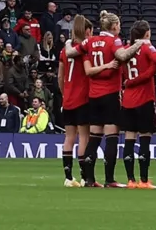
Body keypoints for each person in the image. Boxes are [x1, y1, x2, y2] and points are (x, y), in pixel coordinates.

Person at [113, 21, 156, 186]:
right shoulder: (147, 47)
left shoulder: (126, 49)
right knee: (144, 139)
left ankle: (130, 180)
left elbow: (121, 72)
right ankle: (143, 180)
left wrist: (129, 82)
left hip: (128, 100)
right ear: (147, 34)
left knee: (129, 138)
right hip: (144, 99)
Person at [80, 12, 128, 186]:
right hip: (110, 94)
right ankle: (109, 179)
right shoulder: (114, 41)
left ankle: (89, 179)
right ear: (114, 27)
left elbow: (76, 50)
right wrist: (137, 46)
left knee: (94, 137)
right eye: (119, 26)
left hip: (94, 96)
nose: (120, 28)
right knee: (111, 137)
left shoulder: (90, 41)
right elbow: (122, 55)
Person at [57, 15, 93, 188]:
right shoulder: (84, 49)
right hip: (82, 97)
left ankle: (68, 177)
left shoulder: (65, 50)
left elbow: (60, 76)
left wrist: (65, 94)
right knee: (84, 136)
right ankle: (84, 176)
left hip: (68, 99)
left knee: (69, 137)